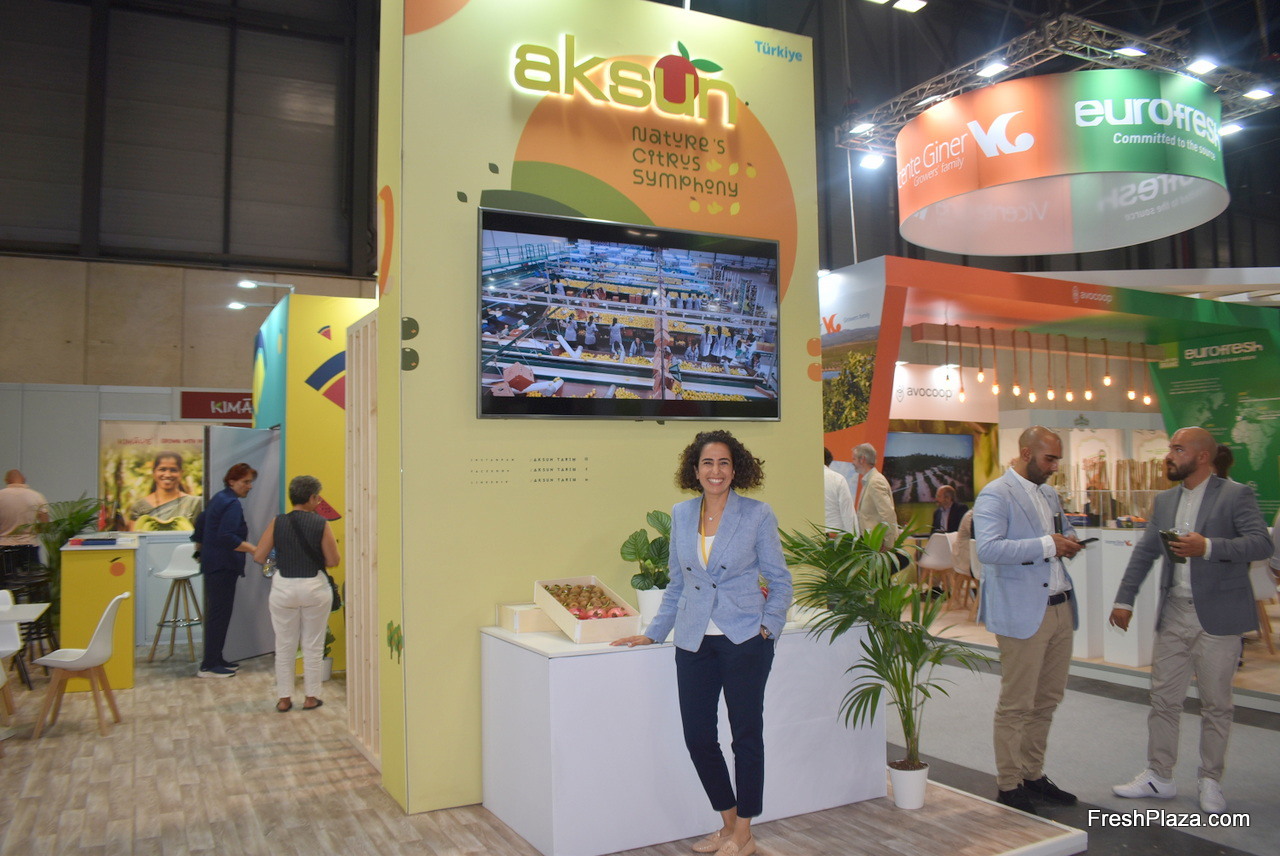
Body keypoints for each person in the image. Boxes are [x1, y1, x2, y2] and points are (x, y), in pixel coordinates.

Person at [612, 430, 792, 856]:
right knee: (698, 737)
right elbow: (678, 583)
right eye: (708, 463)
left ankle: (744, 833)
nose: (716, 471)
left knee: (745, 737)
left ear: (736, 469)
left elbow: (780, 580)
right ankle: (728, 824)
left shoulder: (757, 514)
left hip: (744, 638)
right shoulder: (681, 514)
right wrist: (655, 631)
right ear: (694, 470)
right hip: (693, 641)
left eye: (724, 463)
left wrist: (768, 627)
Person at [1108, 427, 1271, 814]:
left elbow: (1261, 543)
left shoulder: (1235, 495)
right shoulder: (1165, 500)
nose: (1169, 455)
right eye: (1170, 448)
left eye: (1177, 449)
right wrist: (1124, 599)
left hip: (1218, 616)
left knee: (1216, 704)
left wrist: (1208, 547)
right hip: (1174, 612)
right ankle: (1159, 775)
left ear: (1202, 457)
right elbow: (1145, 552)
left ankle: (1210, 779)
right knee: (1163, 698)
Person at [974, 426, 1084, 814]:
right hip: (1022, 612)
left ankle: (1032, 774)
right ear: (1025, 453)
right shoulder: (996, 493)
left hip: (1060, 606)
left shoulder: (1049, 494)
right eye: (1049, 459)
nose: (1054, 466)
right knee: (1017, 702)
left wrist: (1069, 541)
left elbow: (1062, 532)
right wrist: (1048, 545)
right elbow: (988, 549)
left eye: (1057, 459)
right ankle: (1009, 783)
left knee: (1047, 699)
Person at [254, 475, 340, 713]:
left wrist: (282, 556)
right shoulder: (321, 523)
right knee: (313, 644)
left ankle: (284, 699)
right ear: (311, 497)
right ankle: (311, 697)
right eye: (317, 497)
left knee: (284, 645)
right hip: (314, 588)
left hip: (284, 589)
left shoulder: (278, 522)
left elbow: (259, 556)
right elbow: (333, 560)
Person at [196, 463, 258, 678]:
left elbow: (201, 522)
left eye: (250, 482)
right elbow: (227, 536)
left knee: (218, 614)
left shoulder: (219, 498)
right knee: (219, 615)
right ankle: (209, 665)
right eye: (245, 482)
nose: (249, 486)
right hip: (223, 565)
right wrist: (254, 549)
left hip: (214, 564)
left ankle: (216, 657)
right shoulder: (231, 504)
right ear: (232, 481)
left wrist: (199, 550)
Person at [127, 452, 203, 530]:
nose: (167, 474)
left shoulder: (195, 504)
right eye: (162, 469)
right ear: (154, 472)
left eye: (173, 470)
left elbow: (201, 534)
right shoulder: (140, 507)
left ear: (181, 473)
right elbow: (133, 536)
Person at [0, 469, 49, 573]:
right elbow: (45, 526)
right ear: (24, 479)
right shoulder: (36, 496)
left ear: (6, 480)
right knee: (31, 580)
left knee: (5, 580)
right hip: (28, 547)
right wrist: (31, 530)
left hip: (3, 548)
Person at [851, 443, 898, 550]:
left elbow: (887, 514)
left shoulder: (875, 482)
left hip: (877, 545)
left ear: (862, 459)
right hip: (871, 543)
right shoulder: (870, 480)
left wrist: (888, 543)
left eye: (854, 459)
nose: (852, 463)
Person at [823, 447, 857, 534]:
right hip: (833, 535)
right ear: (829, 462)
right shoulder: (837, 479)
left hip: (804, 536)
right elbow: (848, 513)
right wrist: (853, 538)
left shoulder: (803, 479)